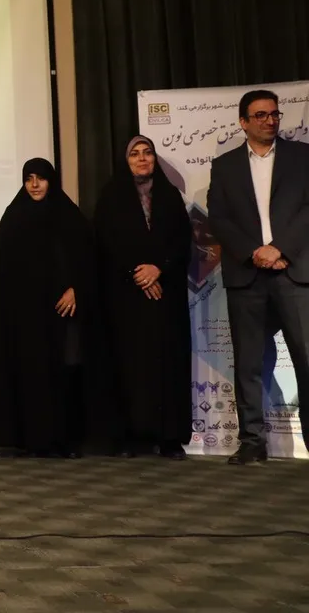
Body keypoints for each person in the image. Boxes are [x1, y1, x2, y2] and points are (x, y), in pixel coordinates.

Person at [208, 89, 309, 465]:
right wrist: (255, 252)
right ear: (243, 122)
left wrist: (280, 248)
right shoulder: (225, 166)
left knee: (306, 360)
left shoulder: (302, 157)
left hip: (293, 272)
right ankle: (252, 441)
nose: (270, 120)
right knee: (249, 364)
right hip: (247, 275)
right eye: (261, 115)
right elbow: (218, 218)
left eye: (275, 114)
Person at [0, 158, 94, 458]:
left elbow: (88, 259)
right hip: (27, 318)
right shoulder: (13, 217)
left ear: (51, 181)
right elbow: (2, 269)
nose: (34, 185)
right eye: (28, 178)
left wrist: (76, 289)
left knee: (65, 373)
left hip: (62, 313)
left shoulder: (68, 216)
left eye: (40, 178)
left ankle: (65, 440)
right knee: (32, 375)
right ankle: (34, 439)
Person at [95, 135, 192, 459]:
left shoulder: (170, 195)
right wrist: (137, 273)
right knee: (128, 366)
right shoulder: (111, 197)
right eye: (134, 154)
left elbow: (182, 241)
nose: (141, 158)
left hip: (165, 295)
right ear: (126, 161)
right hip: (125, 299)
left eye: (147, 152)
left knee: (168, 365)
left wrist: (158, 269)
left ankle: (169, 438)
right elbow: (105, 243)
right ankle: (129, 436)